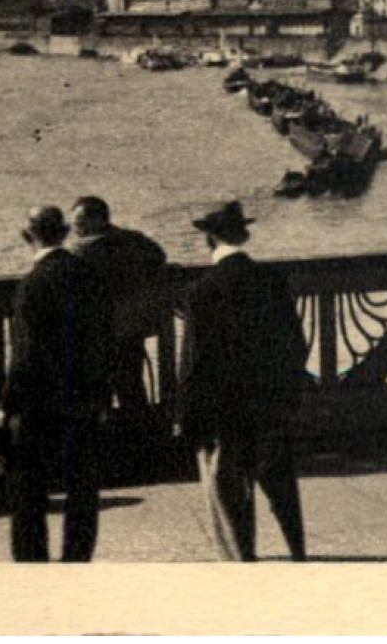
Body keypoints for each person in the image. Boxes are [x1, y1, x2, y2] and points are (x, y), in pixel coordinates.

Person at [178, 200, 307, 562]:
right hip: (269, 404)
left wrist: (186, 415)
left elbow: (195, 361)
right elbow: (296, 344)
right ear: (243, 234)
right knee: (281, 485)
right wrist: (286, 395)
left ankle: (243, 559)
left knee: (229, 489)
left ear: (209, 239)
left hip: (225, 410)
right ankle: (298, 550)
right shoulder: (272, 280)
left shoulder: (202, 290)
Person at [0, 205, 109, 562]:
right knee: (83, 492)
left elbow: (24, 357)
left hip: (39, 405)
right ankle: (77, 562)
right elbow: (105, 340)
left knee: (27, 494)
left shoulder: (33, 284)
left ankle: (33, 567)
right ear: (65, 232)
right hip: (84, 399)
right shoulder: (89, 275)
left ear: (28, 236)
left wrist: (4, 409)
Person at [70, 196, 168, 413]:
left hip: (97, 335)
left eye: (80, 222)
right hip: (130, 330)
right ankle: (139, 439)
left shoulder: (82, 252)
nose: (76, 228)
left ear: (98, 220)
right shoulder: (135, 240)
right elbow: (160, 257)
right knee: (132, 390)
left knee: (96, 397)